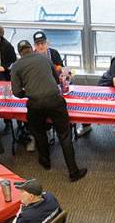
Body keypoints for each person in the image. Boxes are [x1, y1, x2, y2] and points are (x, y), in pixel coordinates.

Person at [10, 40, 87, 182]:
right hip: (54, 100)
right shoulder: (44, 58)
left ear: (19, 53)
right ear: (32, 49)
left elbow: (15, 91)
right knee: (64, 135)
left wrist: (28, 94)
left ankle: (45, 161)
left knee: (38, 132)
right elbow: (57, 79)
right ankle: (73, 171)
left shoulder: (16, 66)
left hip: (35, 103)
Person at [33, 30, 91, 137]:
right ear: (34, 46)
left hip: (56, 86)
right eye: (38, 44)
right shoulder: (31, 57)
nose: (41, 46)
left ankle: (71, 124)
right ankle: (42, 129)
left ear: (47, 43)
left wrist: (63, 72)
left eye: (43, 43)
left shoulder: (54, 53)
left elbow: (63, 71)